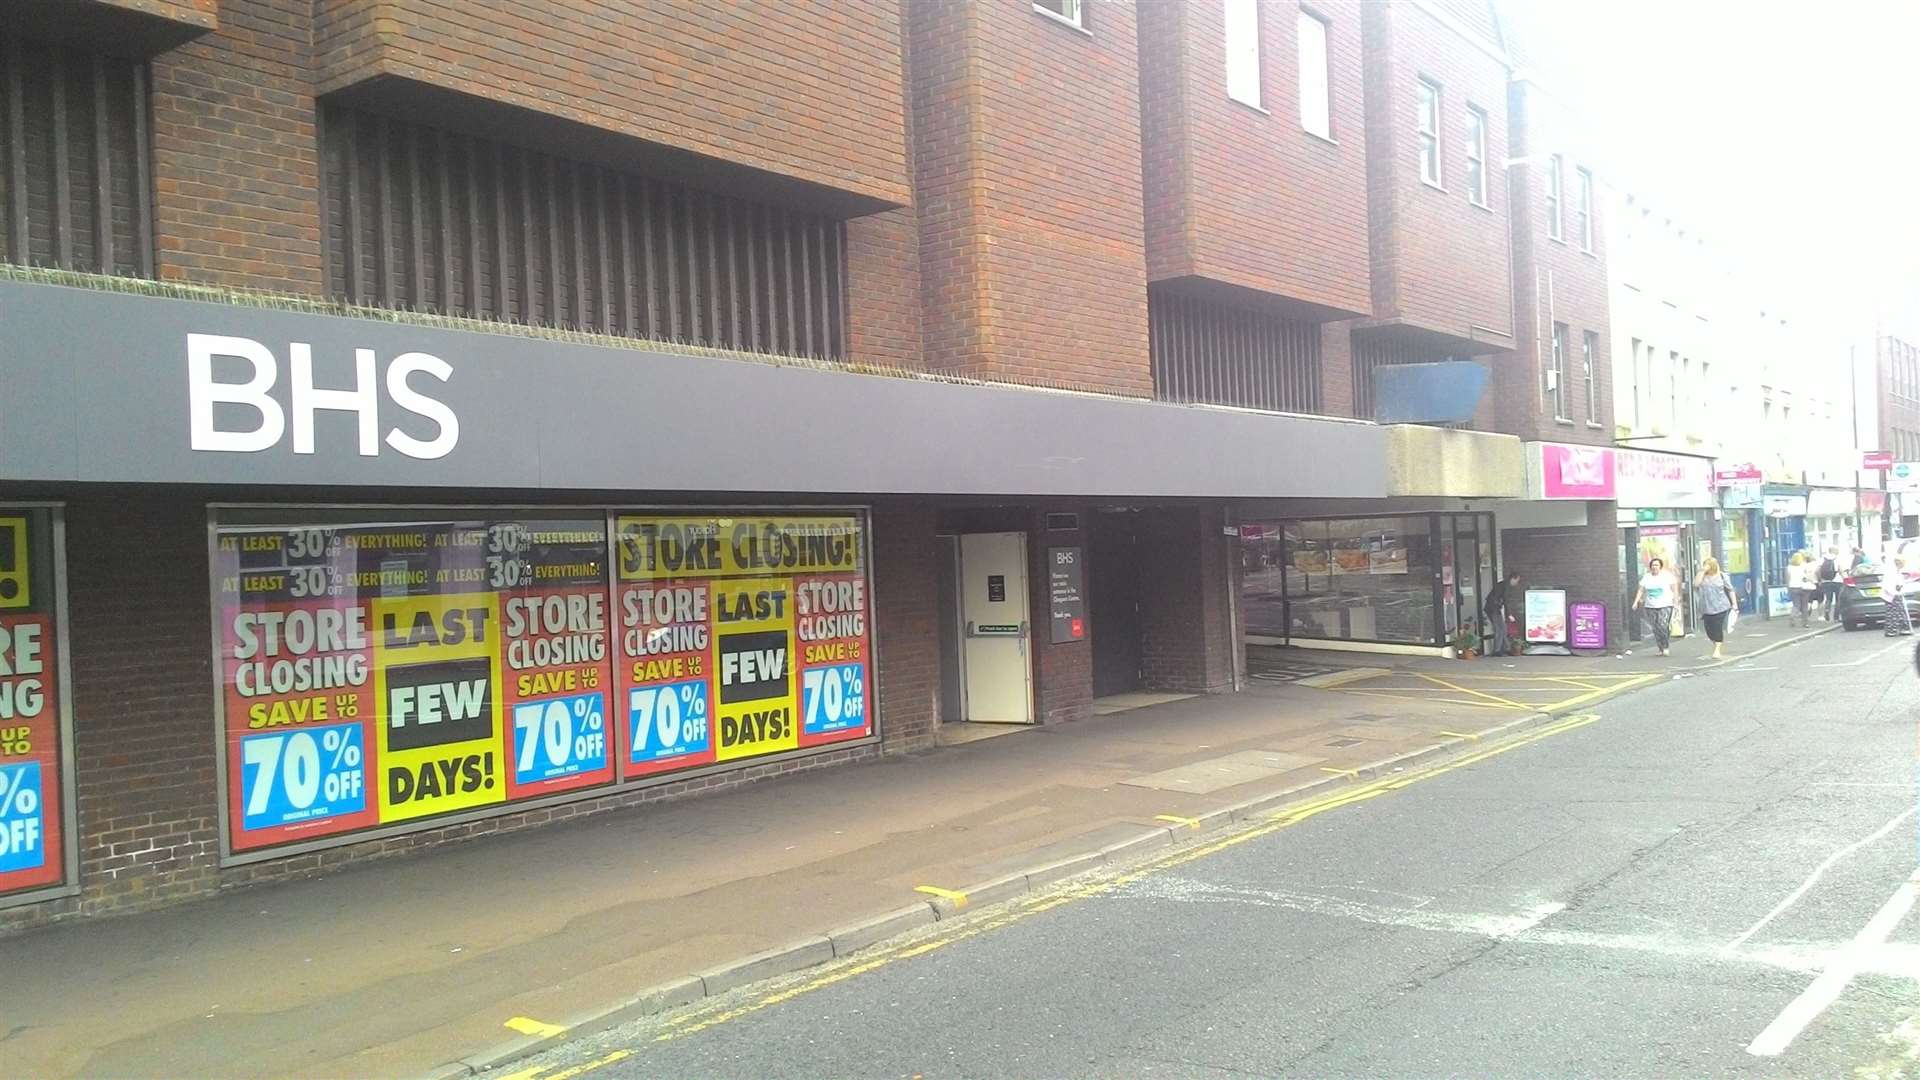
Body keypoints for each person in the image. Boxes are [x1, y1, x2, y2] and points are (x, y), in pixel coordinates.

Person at [1633, 556, 1678, 656]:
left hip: (1665, 604)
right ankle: (1660, 648)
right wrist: (1636, 602)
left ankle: (1666, 647)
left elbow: (1674, 588)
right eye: (1653, 565)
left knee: (1663, 625)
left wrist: (1675, 600)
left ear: (1660, 567)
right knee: (1655, 628)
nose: (1654, 567)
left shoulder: (1667, 576)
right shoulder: (1647, 577)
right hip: (1650, 606)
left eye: (1657, 565)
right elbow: (1641, 590)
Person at [1695, 556, 1737, 660]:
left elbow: (1730, 589)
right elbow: (1695, 584)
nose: (1706, 567)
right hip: (1706, 607)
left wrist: (1734, 604)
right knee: (1709, 630)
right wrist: (1702, 571)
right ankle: (1715, 644)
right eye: (1705, 565)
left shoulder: (1722, 576)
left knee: (1717, 627)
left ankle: (1717, 649)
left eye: (1708, 565)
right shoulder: (1702, 576)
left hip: (1720, 606)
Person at [1483, 570, 1520, 656]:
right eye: (1517, 581)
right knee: (1499, 629)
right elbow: (1506, 601)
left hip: (1493, 608)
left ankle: (1505, 648)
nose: (1517, 583)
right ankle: (1497, 650)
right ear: (1513, 579)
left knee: (1503, 628)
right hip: (1493, 609)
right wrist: (1509, 614)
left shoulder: (1503, 584)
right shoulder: (1506, 586)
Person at [1787, 551, 1813, 628]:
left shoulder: (1789, 567)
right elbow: (1805, 578)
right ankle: (1805, 623)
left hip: (1793, 587)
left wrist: (1788, 588)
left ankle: (1792, 615)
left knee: (1796, 605)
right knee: (1804, 606)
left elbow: (1787, 579)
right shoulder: (1802, 567)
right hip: (1803, 588)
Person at [1817, 547, 1842, 621]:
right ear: (1836, 551)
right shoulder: (1838, 559)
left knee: (1828, 599)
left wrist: (1820, 579)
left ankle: (1827, 611)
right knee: (1838, 599)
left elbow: (1817, 571)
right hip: (1838, 581)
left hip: (1826, 581)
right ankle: (1836, 617)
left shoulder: (1822, 559)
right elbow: (1841, 570)